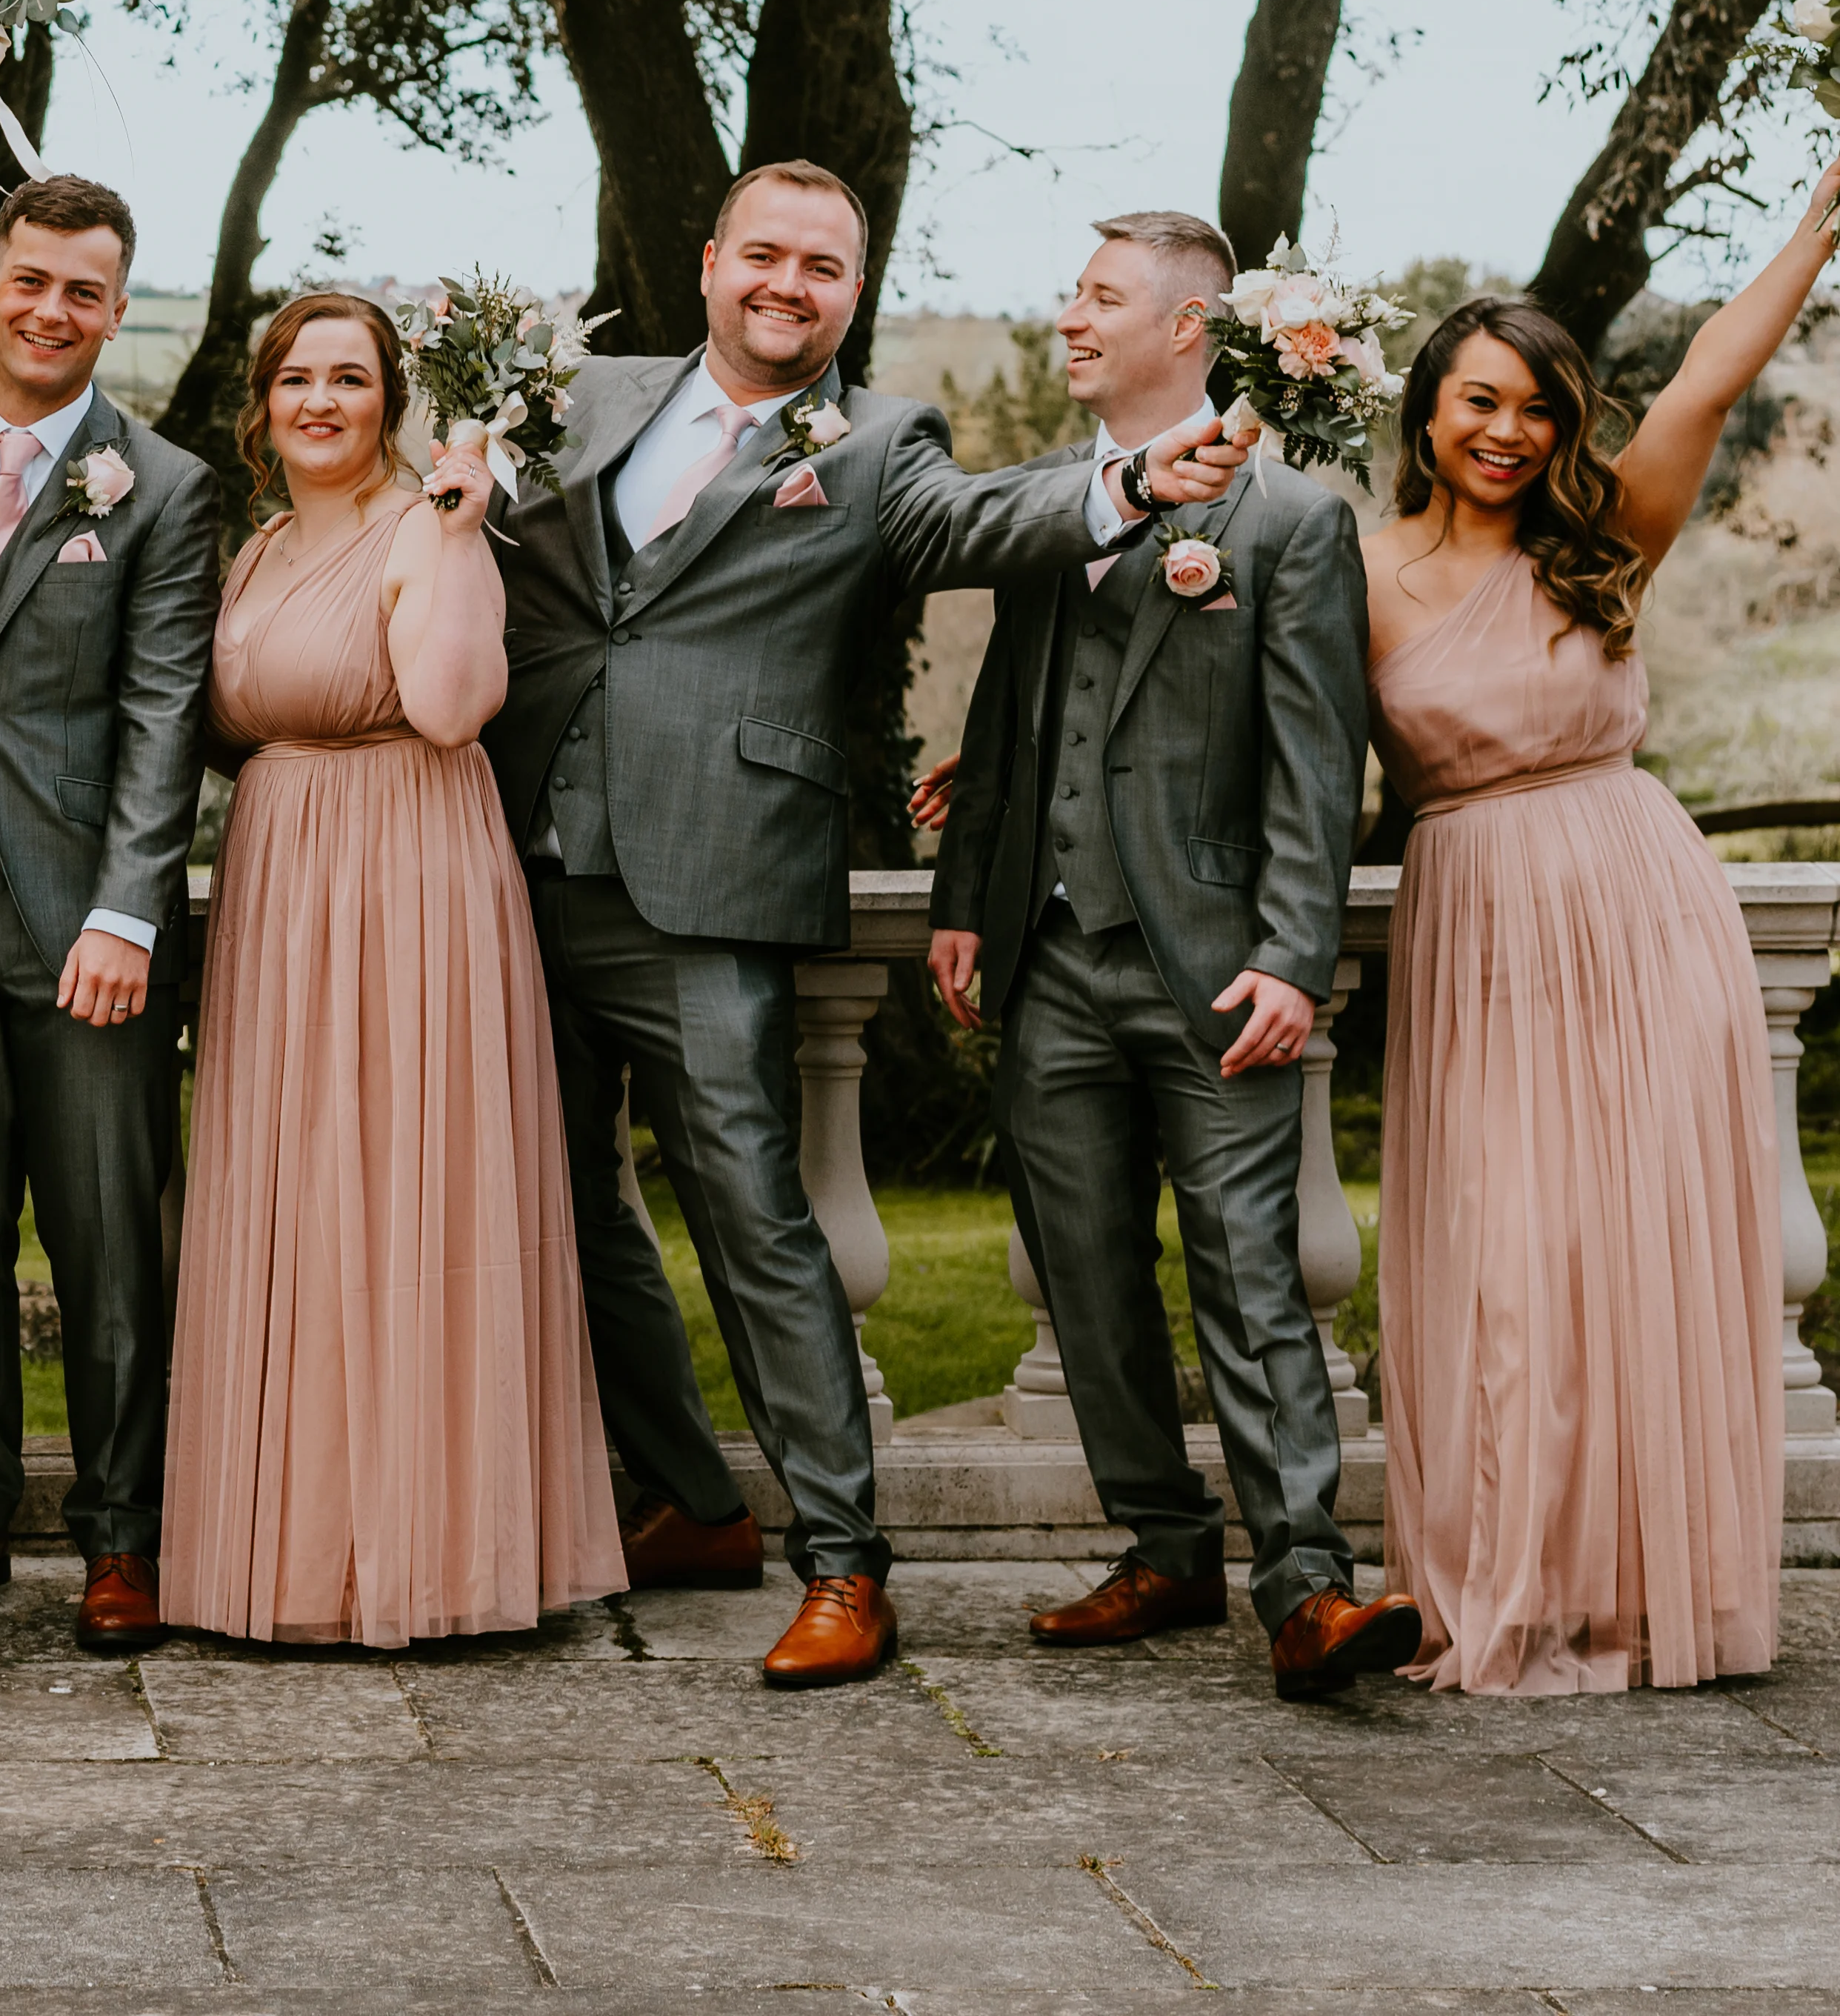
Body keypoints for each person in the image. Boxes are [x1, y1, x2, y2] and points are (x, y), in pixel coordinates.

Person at [481, 159, 1246, 1689]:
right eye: (763, 255)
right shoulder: (573, 390)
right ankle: (691, 1503)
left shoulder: (883, 440)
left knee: (756, 1219)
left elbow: (982, 522)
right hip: (508, 859)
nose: (788, 287)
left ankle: (845, 1565)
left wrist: (1126, 487)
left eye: (823, 270)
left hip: (712, 878)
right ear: (707, 261)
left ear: (852, 292)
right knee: (558, 1210)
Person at [925, 212, 1414, 1700]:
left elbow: (1314, 768)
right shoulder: (1043, 509)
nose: (1067, 317)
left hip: (1215, 967)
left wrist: (1290, 957)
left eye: (1098, 297)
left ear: (1191, 328)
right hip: (1047, 956)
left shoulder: (1287, 524)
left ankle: (1306, 1591)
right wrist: (963, 890)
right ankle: (1160, 1547)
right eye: (1069, 291)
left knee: (1249, 1274)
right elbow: (1008, 723)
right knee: (1081, 1275)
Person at [1365, 175, 1838, 1694]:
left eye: (1538, 411)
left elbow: (1709, 371)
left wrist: (1823, 222)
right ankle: (1508, 1580)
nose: (1509, 434)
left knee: (1630, 1251)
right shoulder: (1350, 573)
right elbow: (1198, 704)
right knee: (1511, 1256)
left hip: (1642, 914)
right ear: (1425, 412)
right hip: (1481, 932)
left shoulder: (1605, 537)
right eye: (1478, 403)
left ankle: (1641, 1592)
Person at [163, 293, 619, 1646]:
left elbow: (449, 708)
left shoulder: (427, 525)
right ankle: (298, 1551)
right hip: (282, 880)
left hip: (409, 873)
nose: (319, 400)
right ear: (262, 404)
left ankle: (423, 1549)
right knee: (299, 1197)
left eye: (349, 378)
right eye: (295, 377)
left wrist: (466, 524)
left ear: (389, 400)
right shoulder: (248, 554)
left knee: (412, 1186)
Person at [0, 173, 218, 1653]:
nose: (50, 309)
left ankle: (122, 1536)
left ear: (116, 309)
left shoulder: (167, 486)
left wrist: (129, 913)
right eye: (28, 279)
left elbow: (163, 713)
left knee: (106, 1240)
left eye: (83, 289)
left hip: (88, 918)